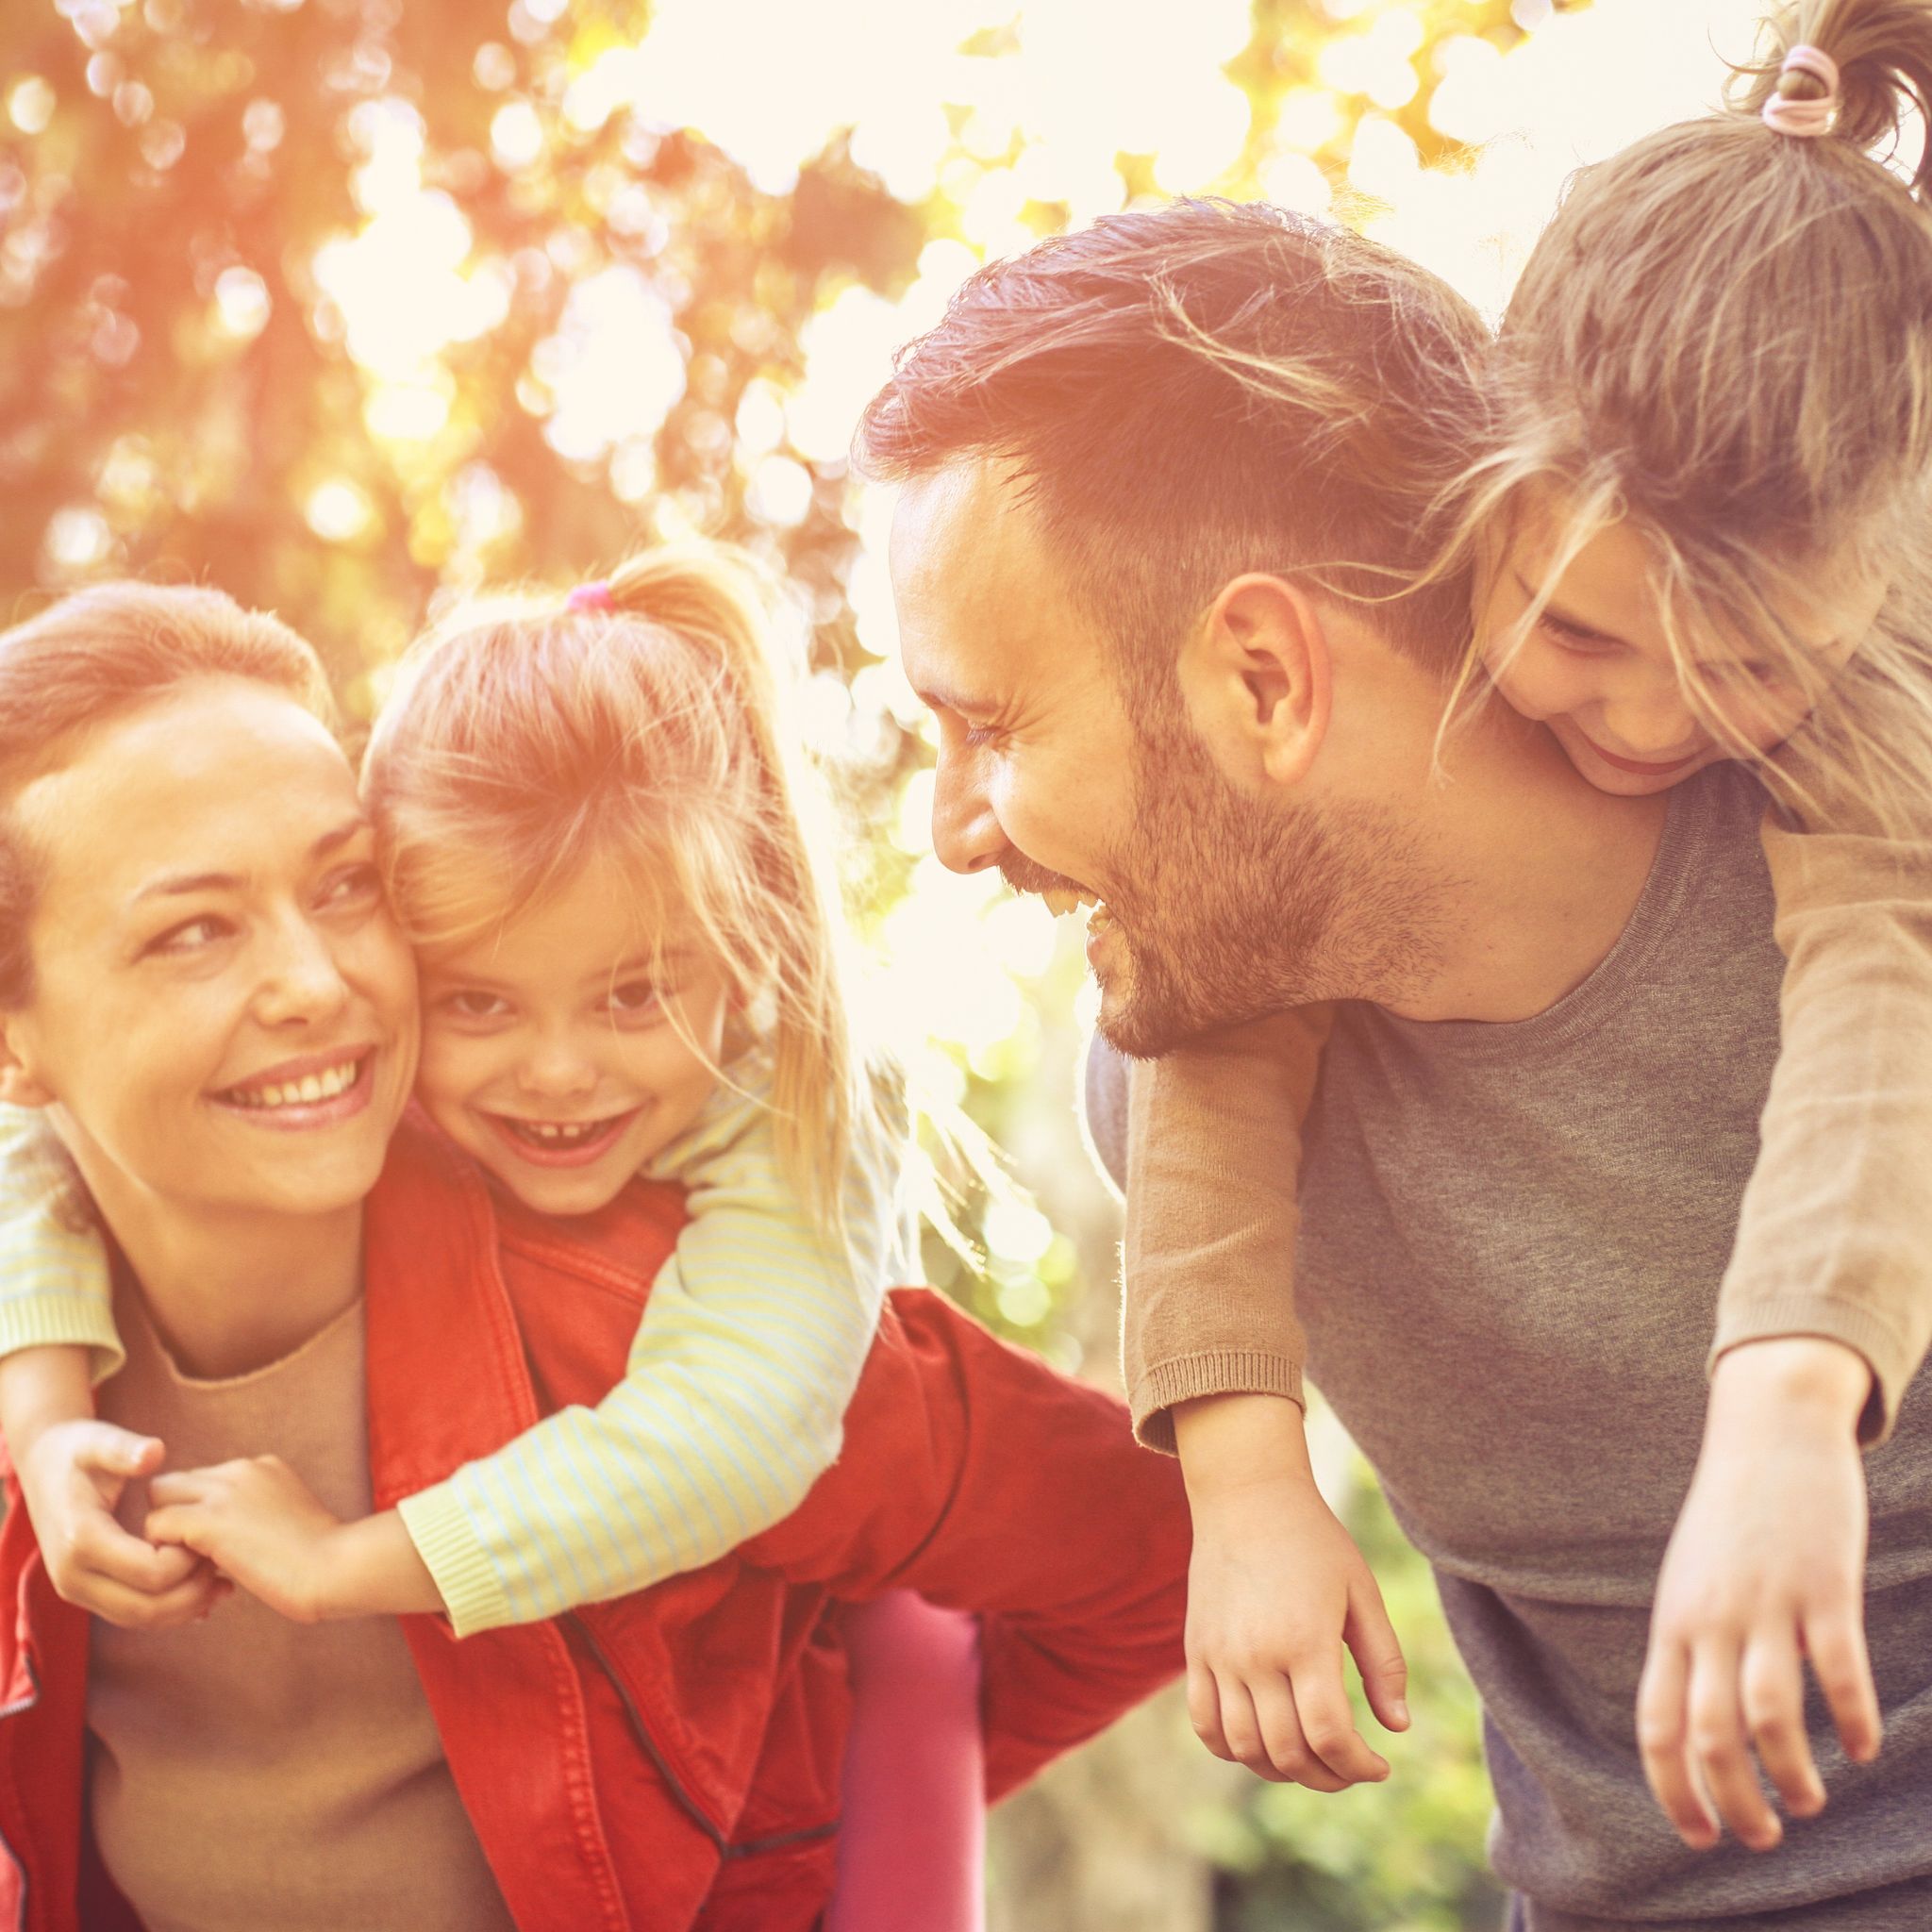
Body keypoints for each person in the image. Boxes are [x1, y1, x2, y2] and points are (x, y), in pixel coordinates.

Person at [860, 174, 1932, 1930]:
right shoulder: (1175, 1079)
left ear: (1268, 681)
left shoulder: (1864, 876)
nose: (956, 832)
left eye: (989, 725)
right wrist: (1237, 1471)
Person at [0, 579, 1190, 1932]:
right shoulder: (36, 1378)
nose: (317, 985)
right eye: (193, 930)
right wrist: (37, 1420)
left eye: (343, 888)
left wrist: (839, 1810)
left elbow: (1157, 1561)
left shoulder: (660, 1337)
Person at [1111, 0, 1932, 1868]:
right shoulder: (1389, 574)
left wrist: (1793, 1397)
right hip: (1601, 1851)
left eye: (1744, 669)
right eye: (1573, 637)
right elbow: (1226, 991)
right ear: (1478, 479)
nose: (1645, 724)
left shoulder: (1885, 654)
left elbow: (1888, 995)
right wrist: (1242, 1472)